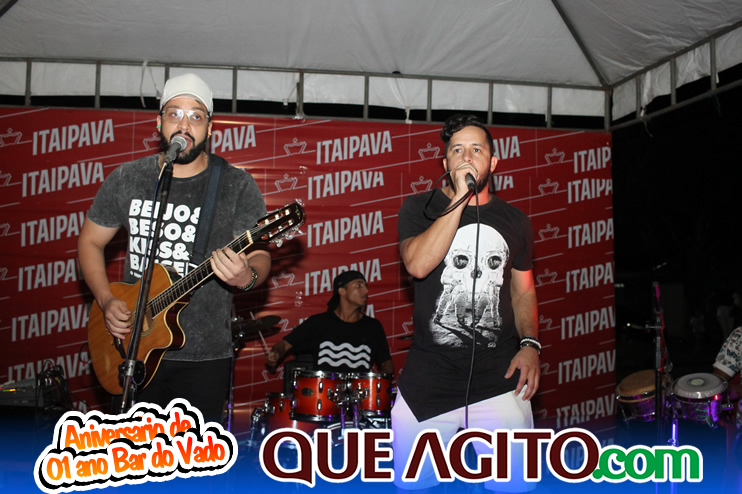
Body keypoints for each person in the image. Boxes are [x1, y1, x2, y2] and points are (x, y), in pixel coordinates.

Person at [78, 73, 271, 423]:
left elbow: (259, 254)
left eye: (196, 116)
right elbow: (90, 241)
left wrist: (247, 276)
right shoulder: (128, 178)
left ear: (210, 127)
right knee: (131, 455)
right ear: (159, 123)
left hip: (204, 358)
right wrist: (106, 300)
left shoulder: (236, 185)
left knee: (195, 457)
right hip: (131, 350)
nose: (185, 125)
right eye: (174, 114)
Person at [393, 114, 540, 492]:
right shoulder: (418, 208)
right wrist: (460, 199)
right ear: (445, 163)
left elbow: (523, 291)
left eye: (477, 149)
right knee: (411, 485)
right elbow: (418, 264)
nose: (467, 157)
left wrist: (530, 344)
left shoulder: (515, 221)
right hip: (429, 380)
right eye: (457, 150)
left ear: (493, 162)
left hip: (499, 379)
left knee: (514, 485)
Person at [265, 270, 394, 375]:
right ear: (342, 291)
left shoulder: (373, 326)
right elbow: (284, 345)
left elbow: (386, 363)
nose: (366, 291)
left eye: (366, 286)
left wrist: (385, 381)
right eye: (359, 286)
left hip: (360, 396)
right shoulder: (318, 323)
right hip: (323, 395)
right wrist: (276, 353)